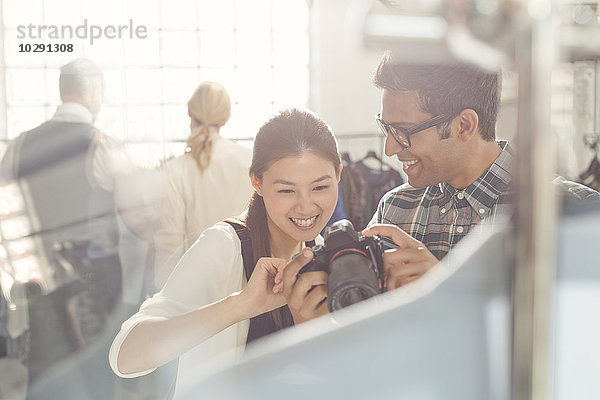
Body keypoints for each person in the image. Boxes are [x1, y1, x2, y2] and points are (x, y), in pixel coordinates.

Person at [109, 109, 341, 398]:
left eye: (320, 187)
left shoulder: (323, 253)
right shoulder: (224, 246)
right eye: (287, 191)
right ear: (257, 182)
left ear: (339, 175)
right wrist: (241, 305)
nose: (306, 207)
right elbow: (126, 356)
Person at [0, 58, 133, 399]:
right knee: (95, 383)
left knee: (45, 381)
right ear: (94, 91)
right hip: (94, 291)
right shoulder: (102, 144)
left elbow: (6, 221)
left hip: (37, 289)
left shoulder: (16, 146)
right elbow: (137, 221)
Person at [153, 82, 253, 289]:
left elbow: (170, 243)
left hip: (199, 288)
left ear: (191, 115)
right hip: (251, 281)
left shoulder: (176, 170)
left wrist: (163, 299)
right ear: (225, 117)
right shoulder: (250, 160)